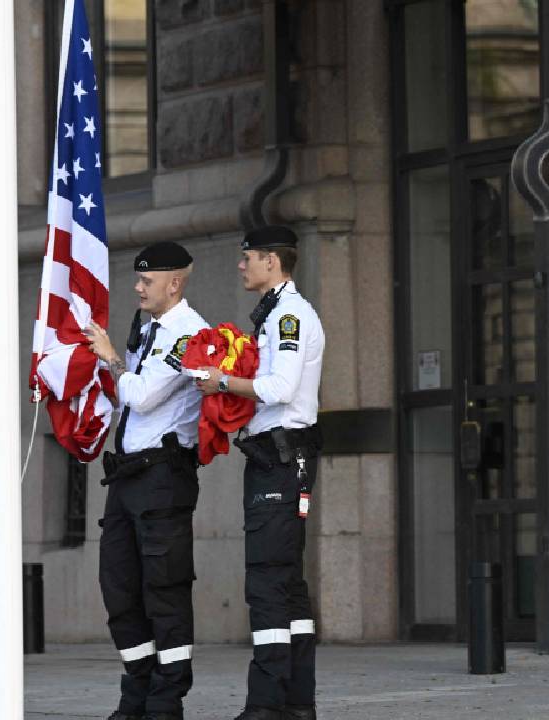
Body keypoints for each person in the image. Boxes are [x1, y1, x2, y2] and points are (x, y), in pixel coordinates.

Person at [195, 225, 326, 720]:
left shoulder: (289, 315)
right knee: (286, 583)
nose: (241, 264)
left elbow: (280, 387)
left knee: (269, 581)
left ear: (272, 261)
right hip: (274, 458)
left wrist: (221, 380)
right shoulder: (275, 314)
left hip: (282, 459)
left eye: (248, 256)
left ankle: (268, 704)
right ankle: (296, 703)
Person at [85, 241, 210, 720]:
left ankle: (165, 701)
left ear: (174, 282)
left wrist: (113, 358)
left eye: (146, 280)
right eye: (137, 279)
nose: (137, 288)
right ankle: (136, 693)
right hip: (129, 475)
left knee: (164, 588)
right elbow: (123, 400)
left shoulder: (187, 334)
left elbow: (142, 396)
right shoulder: (151, 330)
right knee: (118, 585)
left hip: (163, 476)